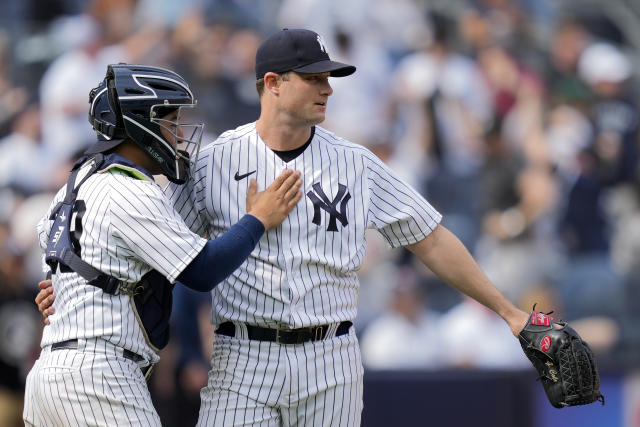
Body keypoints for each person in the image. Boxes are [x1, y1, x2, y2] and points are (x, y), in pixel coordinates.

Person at [39, 30, 530, 426]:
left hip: (330, 357)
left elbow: (430, 236)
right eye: (313, 78)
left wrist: (508, 312)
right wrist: (73, 288)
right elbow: (160, 255)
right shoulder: (213, 162)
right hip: (242, 357)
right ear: (272, 83)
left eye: (329, 78)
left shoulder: (356, 163)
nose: (328, 88)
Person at [24, 63, 302, 427]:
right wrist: (258, 219)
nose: (179, 133)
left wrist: (56, 289)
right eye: (171, 120)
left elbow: (59, 268)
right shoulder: (129, 188)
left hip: (49, 377)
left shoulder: (73, 185)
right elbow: (203, 270)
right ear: (141, 122)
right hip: (98, 377)